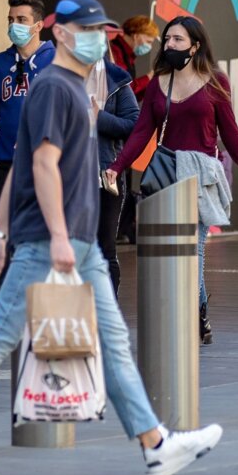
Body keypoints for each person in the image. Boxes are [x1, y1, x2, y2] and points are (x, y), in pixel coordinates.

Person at [0, 0, 225, 475]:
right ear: (61, 34)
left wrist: (4, 229)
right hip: (51, 240)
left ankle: (155, 444)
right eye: (88, 29)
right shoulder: (56, 88)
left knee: (112, 342)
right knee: (0, 335)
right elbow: (45, 164)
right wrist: (51, 237)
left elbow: (26, 164)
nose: (98, 38)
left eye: (101, 30)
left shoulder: (66, 87)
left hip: (69, 239)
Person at [109, 14, 238, 343]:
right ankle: (201, 311)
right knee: (173, 250)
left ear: (195, 46)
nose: (169, 45)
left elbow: (231, 134)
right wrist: (116, 167)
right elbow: (140, 133)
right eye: (167, 40)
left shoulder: (215, 82)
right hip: (166, 173)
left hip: (202, 173)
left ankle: (195, 314)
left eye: (177, 40)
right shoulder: (159, 84)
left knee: (194, 248)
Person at [0, 0, 56, 317]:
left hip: (47, 166)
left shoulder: (56, 62)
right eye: (10, 20)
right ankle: (2, 295)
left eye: (20, 20)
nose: (14, 26)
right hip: (7, 164)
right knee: (3, 229)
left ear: (38, 24)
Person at [89, 50, 139, 294]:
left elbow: (134, 123)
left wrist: (99, 118)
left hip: (104, 174)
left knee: (104, 245)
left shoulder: (115, 79)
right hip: (66, 176)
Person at [115, 15, 162, 243]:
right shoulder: (114, 52)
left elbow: (132, 97)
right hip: (113, 125)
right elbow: (122, 90)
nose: (149, 45)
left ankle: (123, 228)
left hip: (125, 126)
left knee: (126, 175)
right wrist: (149, 77)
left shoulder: (129, 57)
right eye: (148, 39)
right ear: (136, 33)